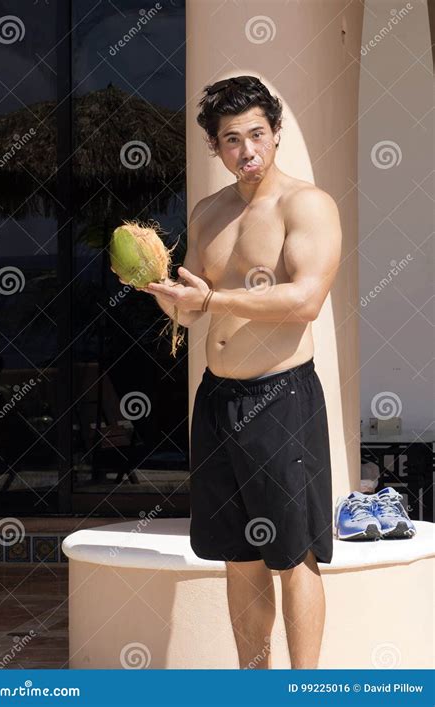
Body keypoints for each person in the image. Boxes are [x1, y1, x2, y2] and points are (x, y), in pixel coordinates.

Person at [117, 75, 342, 669]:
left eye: (257, 135)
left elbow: (304, 300)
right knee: (239, 555)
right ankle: (254, 682)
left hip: (281, 397)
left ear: (276, 135)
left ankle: (306, 686)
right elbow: (190, 309)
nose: (247, 151)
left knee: (293, 555)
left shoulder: (307, 205)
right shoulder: (208, 212)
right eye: (232, 139)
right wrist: (155, 288)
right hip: (217, 400)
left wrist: (218, 301)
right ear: (215, 147)